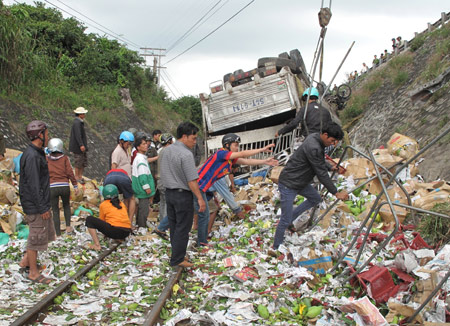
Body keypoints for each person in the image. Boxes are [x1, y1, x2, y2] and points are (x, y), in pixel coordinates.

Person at [272, 122, 349, 250]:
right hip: (288, 184)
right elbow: (321, 173)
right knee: (284, 220)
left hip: (300, 182)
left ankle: (291, 218)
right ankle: (276, 248)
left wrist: (330, 167)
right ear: (325, 135)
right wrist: (336, 192)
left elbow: (318, 160)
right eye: (332, 140)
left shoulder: (315, 138)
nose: (332, 144)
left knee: (316, 198)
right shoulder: (314, 146)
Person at [194, 133, 278, 247]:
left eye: (238, 145)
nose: (237, 148)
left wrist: (264, 162)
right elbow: (243, 154)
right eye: (235, 145)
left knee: (198, 212)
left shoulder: (229, 161)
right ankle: (201, 242)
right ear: (227, 145)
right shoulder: (221, 153)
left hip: (202, 188)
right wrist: (262, 149)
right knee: (200, 214)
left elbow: (246, 161)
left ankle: (200, 240)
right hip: (196, 186)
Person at [159, 122, 206, 268]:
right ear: (184, 136)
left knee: (174, 226)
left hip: (169, 193)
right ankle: (177, 260)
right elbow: (191, 180)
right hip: (182, 195)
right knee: (183, 228)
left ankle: (177, 254)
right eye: (193, 138)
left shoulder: (165, 151)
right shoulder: (186, 154)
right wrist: (199, 198)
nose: (195, 141)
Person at [18, 120, 55, 284]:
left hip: (39, 202)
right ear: (40, 135)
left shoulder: (37, 152)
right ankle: (33, 273)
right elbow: (34, 184)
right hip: (35, 205)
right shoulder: (32, 156)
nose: (48, 136)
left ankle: (26, 263)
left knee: (42, 235)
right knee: (35, 237)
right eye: (46, 133)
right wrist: (42, 207)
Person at [46, 138, 78, 236]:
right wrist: (75, 185)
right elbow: (70, 172)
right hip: (64, 186)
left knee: (55, 210)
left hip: (52, 187)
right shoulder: (65, 158)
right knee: (66, 206)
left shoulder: (46, 159)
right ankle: (68, 228)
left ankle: (58, 233)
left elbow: (43, 174)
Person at [85, 184, 132, 250]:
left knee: (89, 219)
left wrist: (106, 234)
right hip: (126, 232)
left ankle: (97, 245)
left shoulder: (103, 204)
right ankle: (119, 238)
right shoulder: (121, 204)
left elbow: (103, 221)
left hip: (114, 231)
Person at [109, 131, 136, 220]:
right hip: (121, 179)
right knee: (131, 199)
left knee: (127, 199)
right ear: (121, 141)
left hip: (126, 179)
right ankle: (129, 220)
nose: (128, 145)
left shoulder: (125, 150)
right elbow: (113, 166)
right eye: (128, 143)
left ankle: (126, 218)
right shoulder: (117, 151)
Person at [153, 133, 174, 240]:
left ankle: (162, 223)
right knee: (168, 204)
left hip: (160, 180)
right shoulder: (169, 152)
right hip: (166, 181)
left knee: (162, 202)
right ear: (169, 141)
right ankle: (164, 227)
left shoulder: (160, 151)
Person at [132, 134, 155, 228]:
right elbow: (142, 176)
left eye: (146, 144)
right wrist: (147, 187)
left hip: (140, 188)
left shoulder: (140, 158)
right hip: (142, 189)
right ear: (138, 147)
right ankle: (141, 227)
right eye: (144, 144)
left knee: (142, 209)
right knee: (144, 210)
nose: (146, 145)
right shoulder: (140, 159)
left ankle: (139, 224)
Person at [69, 107, 88, 184]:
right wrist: (81, 144)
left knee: (82, 161)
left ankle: (80, 176)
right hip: (78, 147)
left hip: (81, 146)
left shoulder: (79, 122)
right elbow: (78, 135)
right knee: (78, 161)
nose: (84, 115)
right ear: (80, 114)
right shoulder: (77, 123)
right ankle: (77, 177)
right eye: (83, 114)